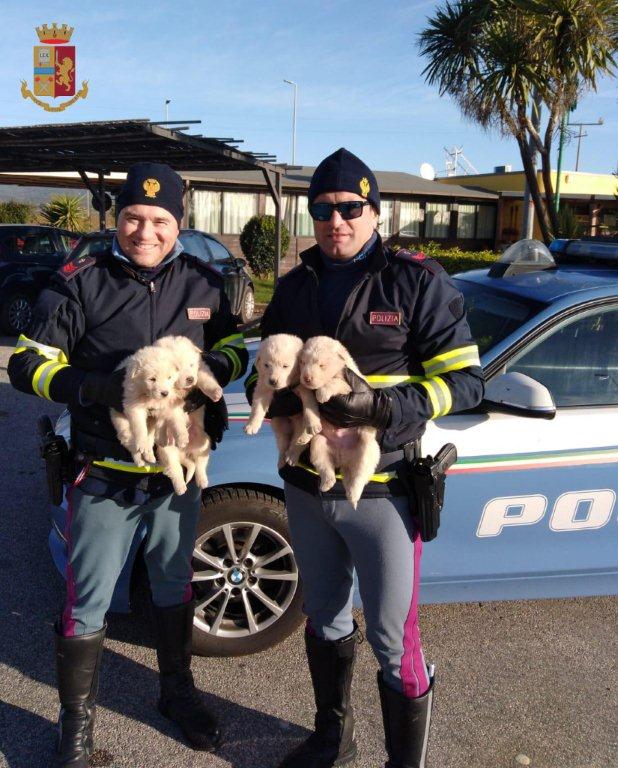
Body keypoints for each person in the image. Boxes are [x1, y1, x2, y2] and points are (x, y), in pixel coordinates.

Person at [244, 148, 484, 768]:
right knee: (322, 616)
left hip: (386, 491)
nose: (337, 221)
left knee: (391, 640)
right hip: (305, 484)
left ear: (375, 211)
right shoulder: (295, 286)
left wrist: (380, 409)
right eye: (322, 210)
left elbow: (465, 383)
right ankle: (333, 741)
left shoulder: (416, 281)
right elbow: (267, 369)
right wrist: (262, 398)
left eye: (351, 208)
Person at [8, 162, 247, 767]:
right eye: (134, 217)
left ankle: (176, 693)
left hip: (178, 475)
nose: (146, 231)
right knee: (86, 600)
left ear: (179, 224)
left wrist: (216, 371)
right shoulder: (78, 281)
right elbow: (25, 365)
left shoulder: (203, 282)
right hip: (105, 470)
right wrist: (93, 387)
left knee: (172, 586)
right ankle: (77, 723)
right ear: (117, 219)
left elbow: (234, 349)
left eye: (160, 220)